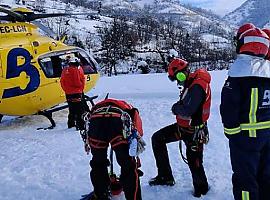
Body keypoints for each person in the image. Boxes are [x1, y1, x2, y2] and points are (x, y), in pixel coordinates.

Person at [220, 25, 270, 200]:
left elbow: (228, 109)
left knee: (245, 180)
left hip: (246, 138)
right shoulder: (268, 72)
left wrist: (232, 134)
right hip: (267, 136)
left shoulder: (237, 75)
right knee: (265, 177)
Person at [149, 58, 211, 198]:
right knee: (158, 138)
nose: (177, 81)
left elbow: (188, 109)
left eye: (177, 78)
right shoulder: (191, 83)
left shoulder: (197, 86)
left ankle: (202, 190)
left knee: (194, 161)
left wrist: (175, 108)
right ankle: (165, 177)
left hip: (194, 132)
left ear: (182, 73)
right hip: (182, 129)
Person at [83, 98, 145, 200]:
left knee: (98, 163)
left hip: (96, 122)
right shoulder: (129, 108)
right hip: (118, 123)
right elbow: (137, 129)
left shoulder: (98, 106)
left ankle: (100, 194)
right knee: (127, 165)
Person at [60, 56, 86, 130]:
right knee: (79, 110)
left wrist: (66, 90)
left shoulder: (65, 70)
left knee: (71, 109)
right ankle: (81, 125)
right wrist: (81, 87)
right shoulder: (75, 71)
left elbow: (62, 82)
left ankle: (71, 124)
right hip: (76, 93)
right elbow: (77, 82)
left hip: (68, 93)